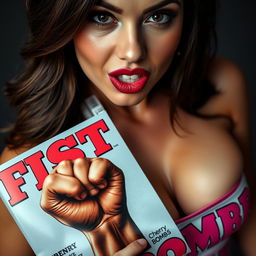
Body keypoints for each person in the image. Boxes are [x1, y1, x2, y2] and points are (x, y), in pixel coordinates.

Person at [0, 0, 255, 255]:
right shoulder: (21, 172)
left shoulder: (220, 84)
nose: (132, 51)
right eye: (102, 18)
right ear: (64, 24)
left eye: (158, 16)